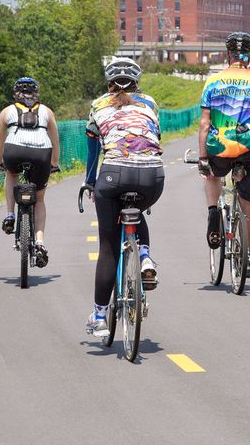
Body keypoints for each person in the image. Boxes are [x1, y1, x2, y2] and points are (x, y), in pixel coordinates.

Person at [83, 57, 164, 337]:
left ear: (108, 83)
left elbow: (94, 152)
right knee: (137, 211)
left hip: (114, 173)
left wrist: (89, 183)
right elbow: (156, 137)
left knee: (107, 246)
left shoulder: (97, 105)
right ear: (137, 82)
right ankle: (145, 257)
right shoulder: (150, 103)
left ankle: (99, 316)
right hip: (153, 176)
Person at [198, 31, 250, 278]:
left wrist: (202, 157)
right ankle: (247, 255)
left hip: (218, 148)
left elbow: (204, 123)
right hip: (248, 149)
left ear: (228, 54)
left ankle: (213, 211)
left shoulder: (213, 82)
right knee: (247, 208)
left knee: (211, 173)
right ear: (249, 55)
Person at [0, 77, 60, 267]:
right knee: (38, 199)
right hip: (42, 154)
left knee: (11, 174)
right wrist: (54, 163)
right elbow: (55, 141)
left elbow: (0, 142)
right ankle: (39, 243)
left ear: (16, 93)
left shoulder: (7, 111)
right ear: (37, 93)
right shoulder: (47, 111)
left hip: (14, 150)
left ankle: (10, 215)